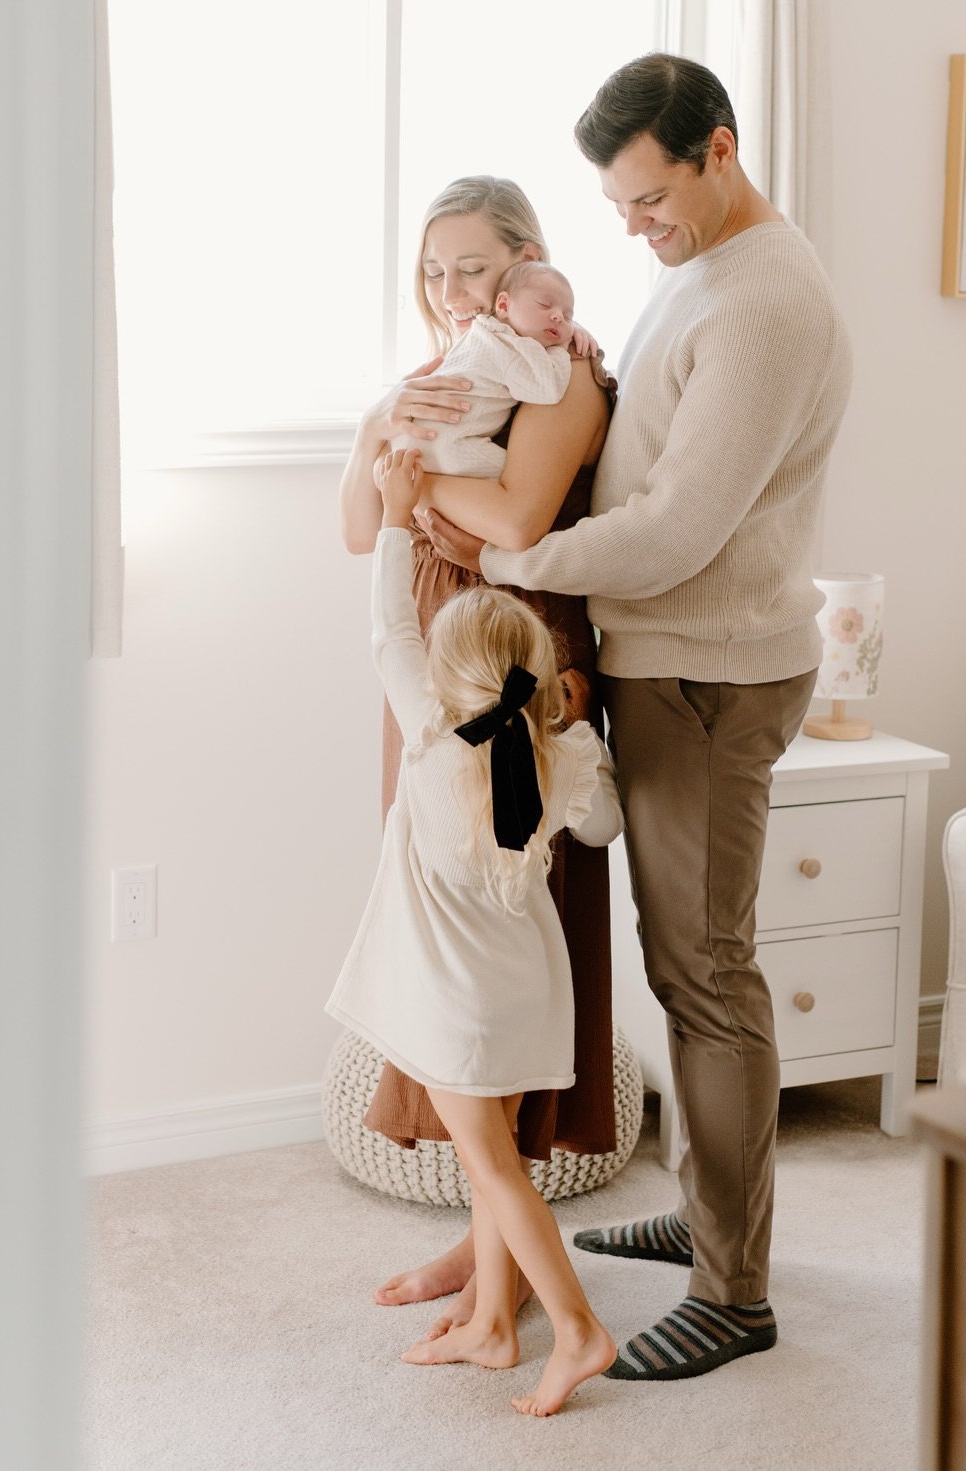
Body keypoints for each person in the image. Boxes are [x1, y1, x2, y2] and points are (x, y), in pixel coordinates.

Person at [419, 54, 854, 1383]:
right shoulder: (702, 269)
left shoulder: (768, 299)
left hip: (713, 672)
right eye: (616, 203)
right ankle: (714, 1215)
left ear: (719, 150)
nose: (633, 225)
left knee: (708, 974)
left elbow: (674, 528)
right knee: (685, 966)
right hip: (670, 659)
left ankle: (736, 1290)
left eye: (651, 196)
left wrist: (506, 556)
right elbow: (636, 448)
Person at [337, 175, 617, 1336]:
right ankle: (488, 1242)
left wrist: (411, 486)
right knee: (437, 933)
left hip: (507, 644)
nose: (451, 289)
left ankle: (500, 1249)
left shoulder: (564, 375)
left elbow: (515, 521)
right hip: (426, 642)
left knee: (510, 940)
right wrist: (376, 434)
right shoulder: (443, 378)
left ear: (525, 266)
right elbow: (361, 527)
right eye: (434, 268)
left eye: (474, 267)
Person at [328, 448, 623, 1415]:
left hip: (458, 1003)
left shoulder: (428, 736)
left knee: (494, 1171)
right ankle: (495, 1323)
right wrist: (578, 731)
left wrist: (402, 517)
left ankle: (577, 1330)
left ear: (448, 675)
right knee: (494, 1161)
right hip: (529, 986)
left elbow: (386, 632)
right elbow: (604, 827)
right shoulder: (559, 750)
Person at [390, 261, 585, 479]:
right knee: (522, 476)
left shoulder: (481, 331)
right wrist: (561, 347)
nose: (558, 316)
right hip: (449, 445)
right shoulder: (513, 347)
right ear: (503, 305)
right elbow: (549, 389)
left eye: (569, 317)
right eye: (544, 305)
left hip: (410, 439)